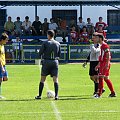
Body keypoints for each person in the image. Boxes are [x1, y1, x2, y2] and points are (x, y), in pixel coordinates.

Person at [35, 30, 61, 100]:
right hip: (55, 62)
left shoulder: (45, 43)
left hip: (46, 62)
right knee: (55, 80)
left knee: (42, 79)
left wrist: (39, 54)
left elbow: (40, 53)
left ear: (48, 35)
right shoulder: (58, 43)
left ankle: (39, 95)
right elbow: (59, 55)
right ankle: (56, 96)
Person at [94, 34, 116, 98]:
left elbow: (108, 54)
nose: (95, 39)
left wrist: (106, 64)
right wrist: (98, 65)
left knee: (100, 77)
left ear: (100, 38)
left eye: (96, 38)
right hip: (103, 63)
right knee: (106, 78)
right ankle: (113, 93)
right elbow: (102, 56)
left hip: (105, 64)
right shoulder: (102, 46)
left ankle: (99, 94)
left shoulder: (105, 45)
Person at [0, 33, 9, 99]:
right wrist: (2, 67)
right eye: (6, 40)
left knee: (5, 78)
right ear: (2, 39)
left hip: (3, 64)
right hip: (0, 65)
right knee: (0, 80)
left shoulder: (3, 45)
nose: (7, 41)